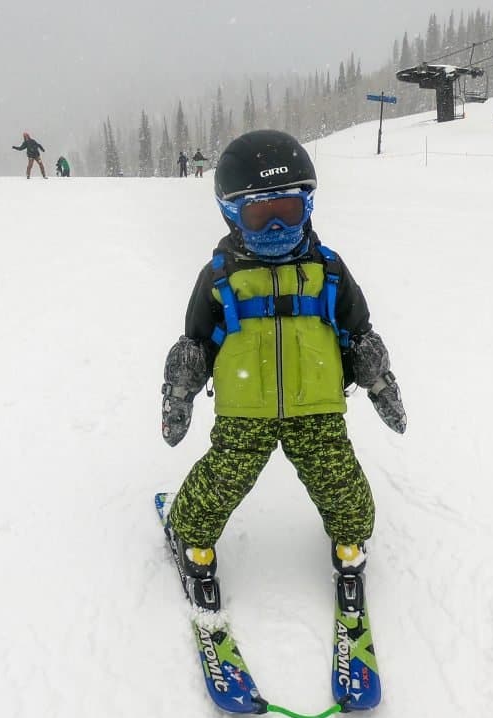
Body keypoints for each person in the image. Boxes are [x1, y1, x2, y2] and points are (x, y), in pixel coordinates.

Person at [159, 129, 407, 611]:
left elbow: (359, 332)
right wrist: (180, 392)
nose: (275, 227)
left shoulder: (328, 270)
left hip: (317, 411)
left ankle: (350, 541)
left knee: (343, 488)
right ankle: (190, 535)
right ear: (232, 214)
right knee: (223, 479)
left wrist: (380, 382)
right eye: (259, 213)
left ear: (308, 206)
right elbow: (194, 342)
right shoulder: (220, 276)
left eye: (287, 211)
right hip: (243, 413)